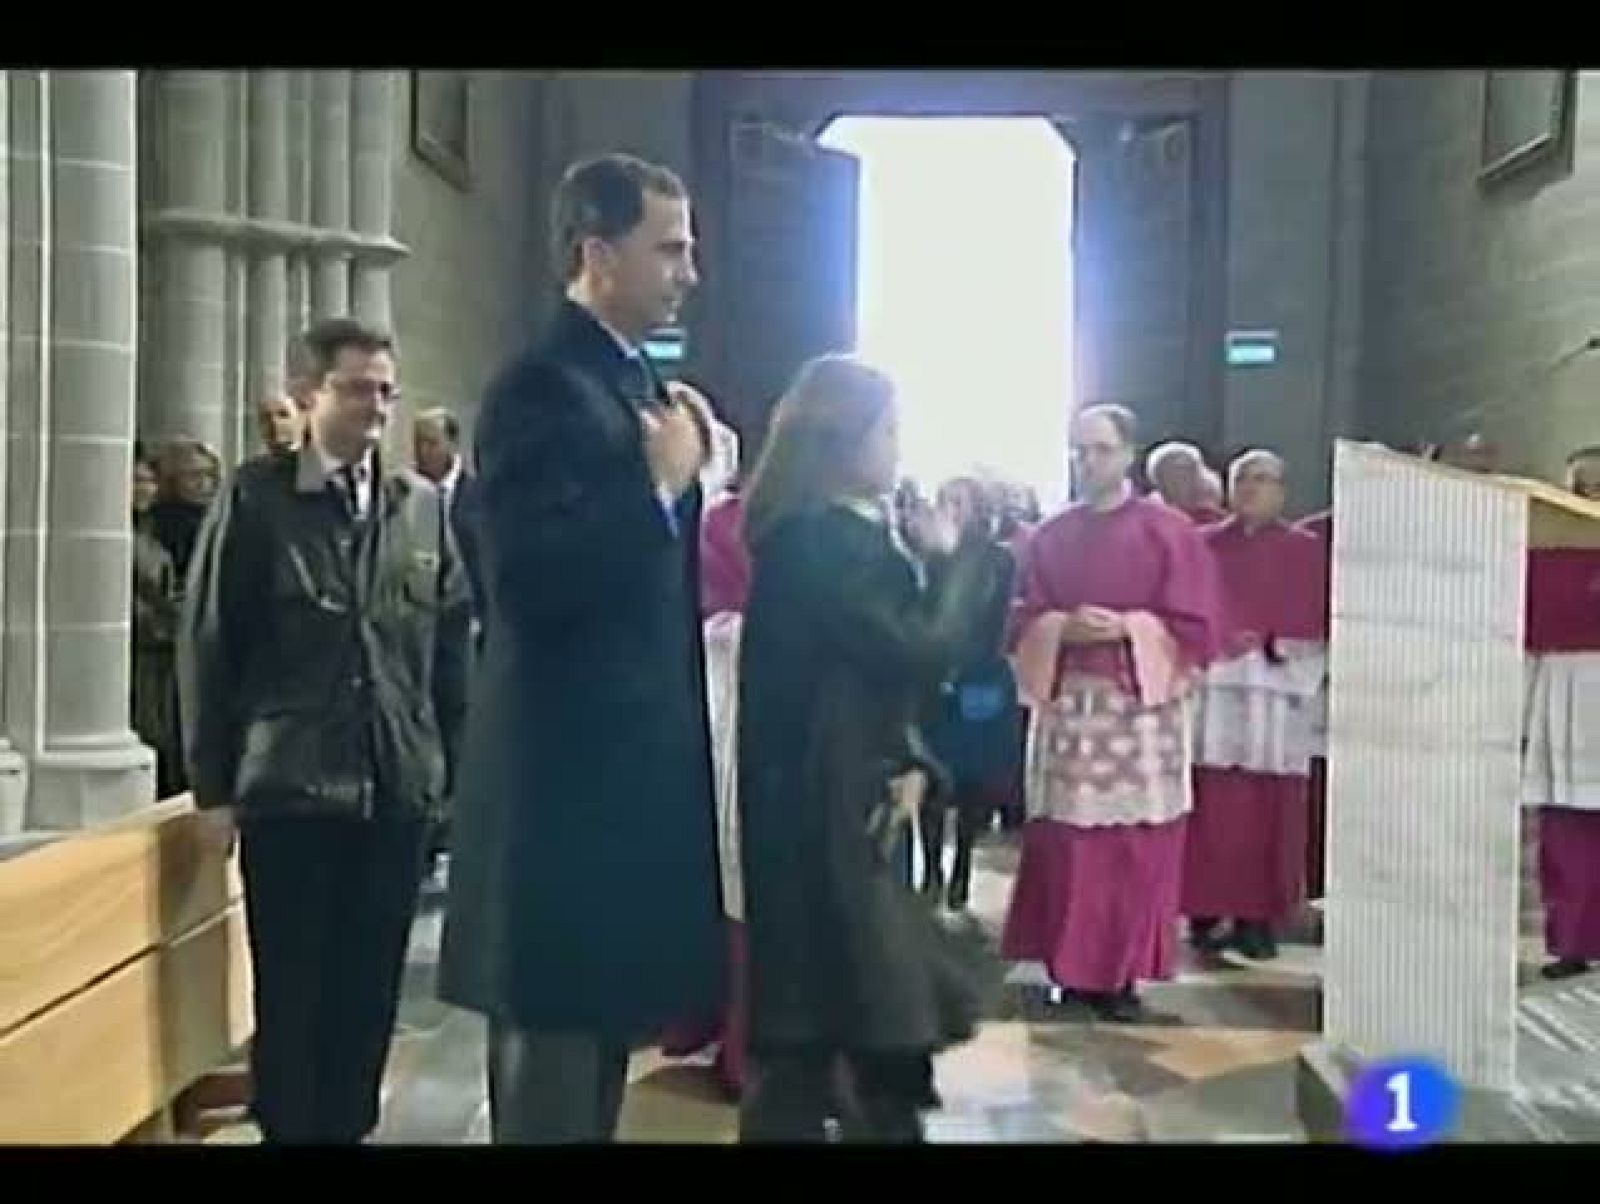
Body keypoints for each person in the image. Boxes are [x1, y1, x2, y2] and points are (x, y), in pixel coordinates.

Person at [437, 154, 725, 1144]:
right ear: (598, 253)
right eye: (669, 247)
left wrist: (684, 481)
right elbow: (527, 581)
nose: (690, 269)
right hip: (557, 801)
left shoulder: (626, 381)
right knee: (552, 1087)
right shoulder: (540, 389)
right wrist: (654, 488)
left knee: (591, 1075)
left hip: (607, 797)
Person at [179, 316, 471, 1144]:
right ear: (310, 395)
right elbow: (211, 645)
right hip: (293, 788)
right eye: (356, 388)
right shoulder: (258, 498)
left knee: (368, 1001)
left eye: (386, 388)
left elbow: (450, 650)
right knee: (296, 1000)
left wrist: (446, 772)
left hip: (394, 788)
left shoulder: (419, 509)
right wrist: (213, 788)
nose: (377, 406)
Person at [736, 355, 998, 1142]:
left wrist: (913, 759)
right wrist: (962, 562)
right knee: (852, 1017)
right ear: (845, 440)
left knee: (841, 1019)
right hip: (831, 805)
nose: (896, 447)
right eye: (887, 430)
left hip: (845, 788)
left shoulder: (831, 537)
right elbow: (918, 651)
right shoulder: (825, 542)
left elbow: (878, 683)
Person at [1001, 404, 1225, 1023]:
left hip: (1139, 713)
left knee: (1133, 843)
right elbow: (1019, 618)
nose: (1087, 461)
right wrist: (1059, 628)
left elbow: (1197, 623)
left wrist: (1131, 627)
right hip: (1071, 710)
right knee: (1068, 843)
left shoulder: (1168, 532)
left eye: (1099, 449)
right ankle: (1068, 969)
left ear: (1128, 453)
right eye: (1078, 450)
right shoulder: (1050, 535)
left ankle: (1120, 973)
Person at [1181, 450, 1327, 960]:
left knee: (1269, 811)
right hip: (1214, 693)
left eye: (1264, 480)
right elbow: (1187, 613)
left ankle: (1256, 919)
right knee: (1208, 804)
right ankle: (1202, 909)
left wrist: (1268, 641)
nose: (1251, 489)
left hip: (1275, 693)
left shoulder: (1305, 550)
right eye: (1242, 479)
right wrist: (1218, 641)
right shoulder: (1200, 546)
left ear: (1282, 491)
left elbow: (1316, 627)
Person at [919, 476, 1020, 912]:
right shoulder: (925, 555)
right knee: (930, 774)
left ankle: (961, 863)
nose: (953, 509)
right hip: (932, 678)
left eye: (961, 502)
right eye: (947, 501)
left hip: (979, 676)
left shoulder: (998, 560)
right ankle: (931, 868)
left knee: (973, 779)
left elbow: (990, 619)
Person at [1520, 446, 1600, 978]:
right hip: (1562, 687)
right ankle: (1570, 939)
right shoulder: (1542, 555)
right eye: (1580, 487)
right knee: (1566, 823)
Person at [131, 444, 184, 799]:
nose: (144, 489)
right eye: (136, 481)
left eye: (150, 481)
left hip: (163, 651)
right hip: (143, 650)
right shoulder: (127, 540)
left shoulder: (151, 535)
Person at [1145, 440, 1226, 524]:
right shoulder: (1151, 521)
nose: (1193, 482)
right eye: (1179, 478)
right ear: (1162, 488)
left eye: (1194, 471)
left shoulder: (1222, 521)